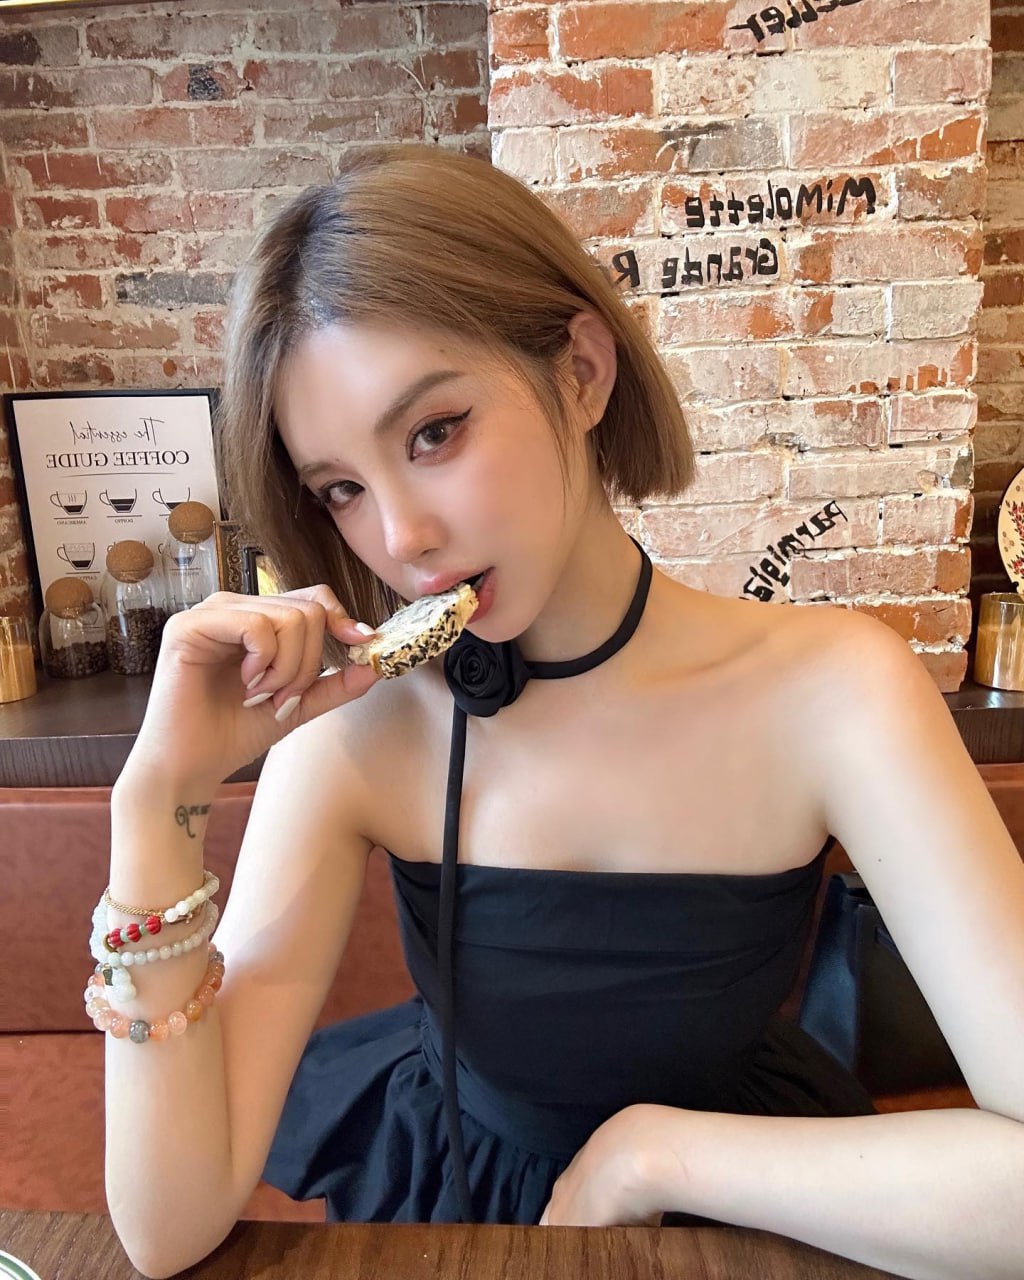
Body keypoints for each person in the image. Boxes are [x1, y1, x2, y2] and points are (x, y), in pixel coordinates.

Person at [101, 143, 1024, 1279]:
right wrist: (157, 801)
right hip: (456, 1211)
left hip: (753, 1206)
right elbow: (166, 1227)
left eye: (434, 432)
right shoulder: (361, 731)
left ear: (582, 373)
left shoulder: (836, 692)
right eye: (342, 487)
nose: (401, 538)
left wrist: (657, 1155)